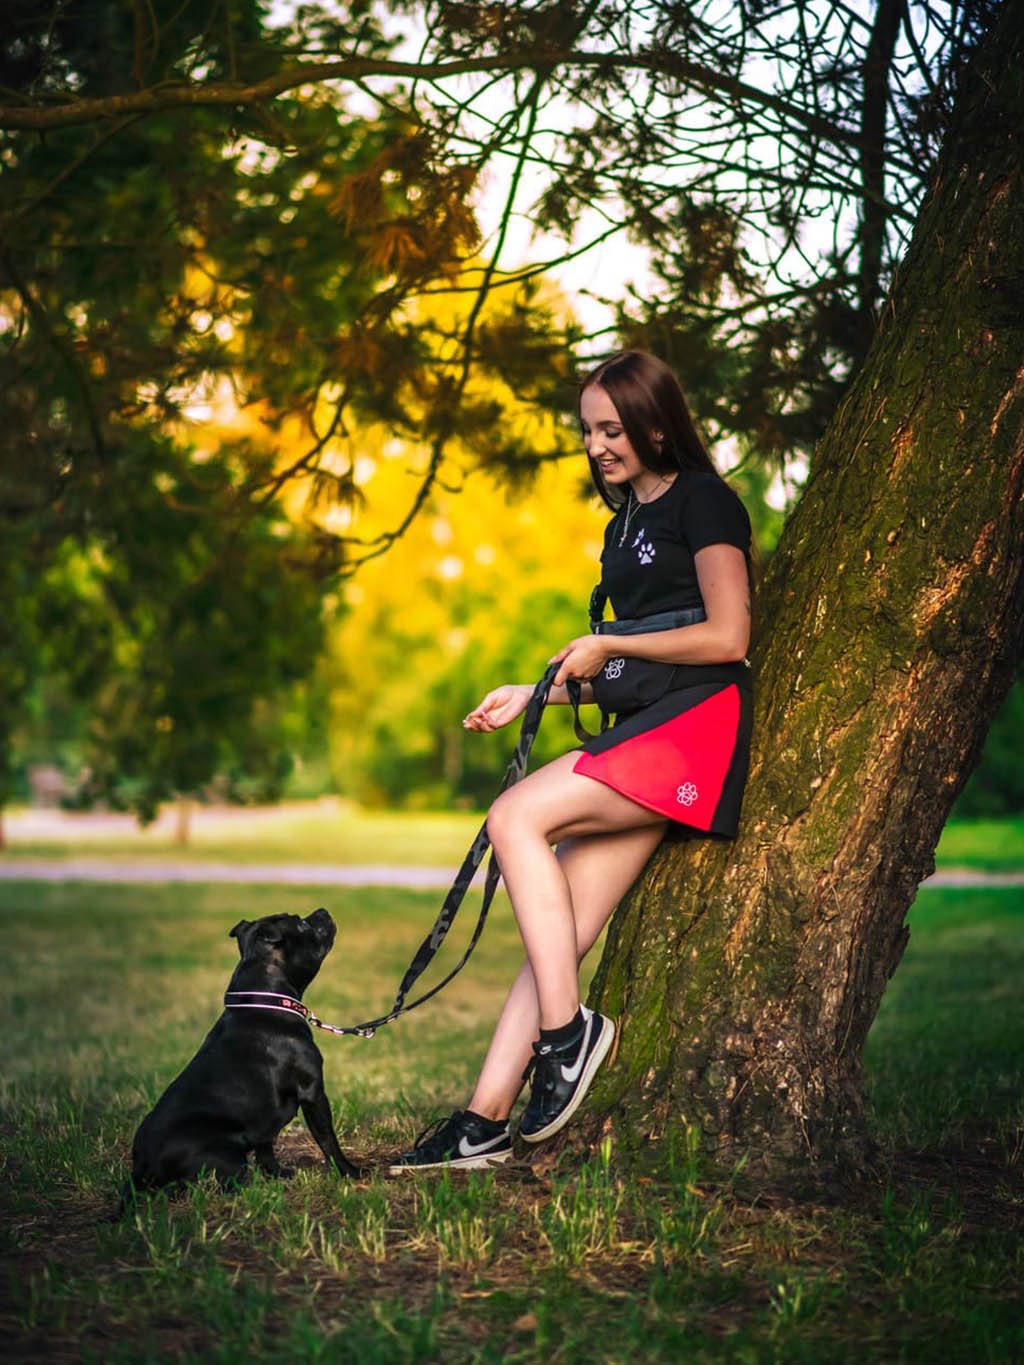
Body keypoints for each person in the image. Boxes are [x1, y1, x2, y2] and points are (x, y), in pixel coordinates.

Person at [389, 350, 753, 1172]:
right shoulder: (623, 524)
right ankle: (484, 1120)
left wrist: (609, 640)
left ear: (657, 424)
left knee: (514, 815)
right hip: (644, 725)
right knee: (558, 938)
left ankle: (569, 1035)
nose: (595, 446)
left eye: (611, 428)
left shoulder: (707, 501)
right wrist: (535, 689)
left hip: (696, 726)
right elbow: (625, 665)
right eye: (588, 430)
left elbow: (727, 637)